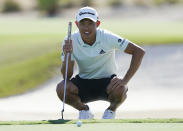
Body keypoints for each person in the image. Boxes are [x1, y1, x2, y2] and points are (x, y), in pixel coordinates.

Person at [56, 6, 145, 119]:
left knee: (121, 88)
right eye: (83, 23)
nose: (86, 27)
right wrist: (68, 55)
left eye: (90, 23)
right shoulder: (69, 41)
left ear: (97, 24)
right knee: (61, 88)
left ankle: (111, 111)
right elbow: (66, 76)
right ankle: (84, 111)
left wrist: (125, 80)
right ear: (77, 24)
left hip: (107, 82)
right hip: (83, 82)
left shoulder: (107, 37)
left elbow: (139, 51)